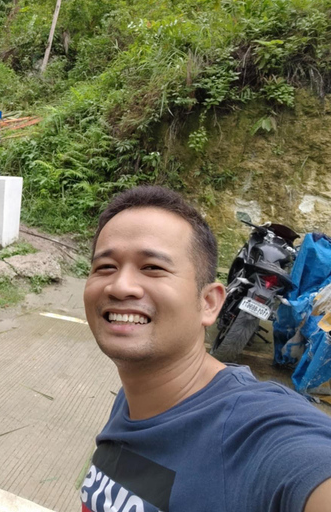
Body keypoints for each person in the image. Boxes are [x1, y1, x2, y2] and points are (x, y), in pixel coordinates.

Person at [80, 186, 331, 512]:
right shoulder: (133, 398)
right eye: (105, 267)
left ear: (209, 302)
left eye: (153, 267)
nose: (120, 285)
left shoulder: (256, 430)